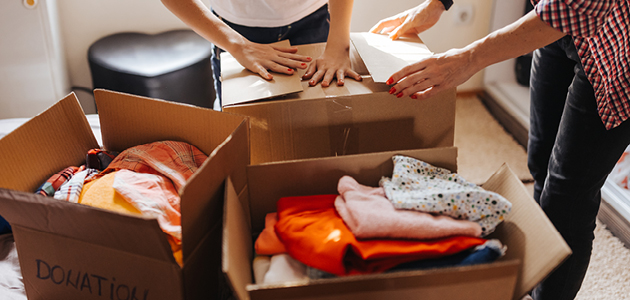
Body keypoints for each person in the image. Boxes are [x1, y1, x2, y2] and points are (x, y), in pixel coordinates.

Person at [371, 0, 629, 299]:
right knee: (541, 165)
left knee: (567, 196)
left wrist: (468, 59)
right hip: (552, 26)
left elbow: (571, 9)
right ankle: (538, 279)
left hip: (615, 46)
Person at [161, 0, 362, 109]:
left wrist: (338, 44)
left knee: (317, 125)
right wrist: (238, 45)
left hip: (313, 20)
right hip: (233, 30)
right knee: (242, 132)